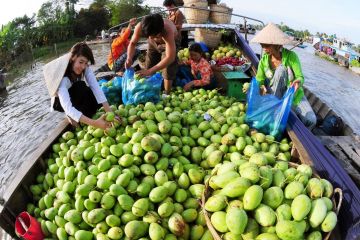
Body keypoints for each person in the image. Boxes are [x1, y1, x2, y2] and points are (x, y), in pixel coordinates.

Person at [250, 23, 317, 129]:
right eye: (262, 45)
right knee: (280, 71)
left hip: (292, 96)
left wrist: (297, 82)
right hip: (273, 96)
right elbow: (259, 80)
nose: (264, 48)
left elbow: (300, 77)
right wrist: (260, 87)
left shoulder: (291, 57)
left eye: (266, 45)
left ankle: (299, 140)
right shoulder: (264, 61)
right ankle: (274, 110)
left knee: (311, 120)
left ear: (277, 45)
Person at [43, 42, 112, 129]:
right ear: (73, 58)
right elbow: (68, 107)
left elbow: (95, 87)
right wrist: (94, 123)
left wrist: (109, 111)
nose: (83, 66)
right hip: (60, 102)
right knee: (81, 86)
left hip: (74, 93)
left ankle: (78, 115)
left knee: (93, 99)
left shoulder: (84, 66)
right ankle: (69, 116)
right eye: (81, 62)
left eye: (86, 63)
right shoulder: (63, 79)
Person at [125, 14, 178, 94]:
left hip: (169, 43)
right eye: (148, 36)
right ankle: (148, 90)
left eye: (153, 35)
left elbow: (170, 57)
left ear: (160, 31)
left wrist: (151, 71)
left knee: (168, 69)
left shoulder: (167, 30)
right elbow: (132, 43)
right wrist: (129, 58)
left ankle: (167, 93)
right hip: (152, 44)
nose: (150, 37)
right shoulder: (140, 27)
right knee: (149, 65)